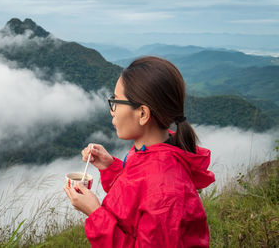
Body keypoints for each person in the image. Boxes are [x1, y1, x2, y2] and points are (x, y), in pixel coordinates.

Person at [64, 56, 215, 247]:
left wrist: (95, 213)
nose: (112, 110)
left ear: (142, 114)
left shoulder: (165, 194)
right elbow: (136, 196)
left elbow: (151, 194)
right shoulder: (150, 152)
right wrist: (110, 167)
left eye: (116, 101)